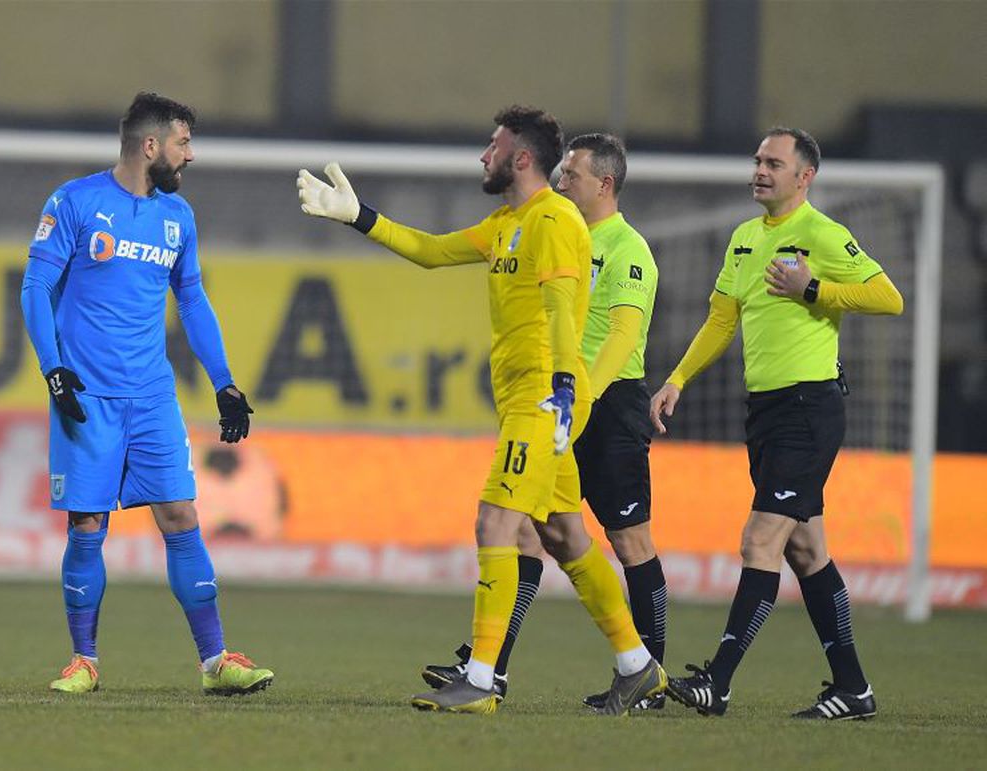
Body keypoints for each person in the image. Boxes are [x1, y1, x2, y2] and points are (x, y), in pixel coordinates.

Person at [297, 106, 666, 715]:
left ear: (520, 158)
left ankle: (481, 678)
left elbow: (561, 309)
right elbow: (431, 250)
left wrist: (566, 390)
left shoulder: (553, 220)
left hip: (542, 400)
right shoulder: (508, 221)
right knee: (565, 535)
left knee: (495, 525)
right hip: (530, 398)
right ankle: (636, 666)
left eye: (492, 146)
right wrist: (357, 216)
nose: (482, 156)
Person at [20, 91, 273, 696]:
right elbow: (35, 286)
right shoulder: (75, 202)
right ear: (151, 145)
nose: (192, 155)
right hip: (88, 395)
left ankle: (216, 664)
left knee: (182, 515)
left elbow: (192, 300)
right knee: (87, 526)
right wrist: (54, 370)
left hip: (153, 397)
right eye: (184, 142)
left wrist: (225, 383)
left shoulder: (177, 218)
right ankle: (84, 661)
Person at [651, 127, 903, 719]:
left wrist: (813, 288)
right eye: (758, 159)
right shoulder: (743, 239)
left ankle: (719, 680)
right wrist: (677, 380)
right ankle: (853, 688)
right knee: (807, 550)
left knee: (760, 539)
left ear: (803, 177)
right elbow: (720, 321)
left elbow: (888, 296)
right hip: (765, 411)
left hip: (809, 407)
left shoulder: (821, 233)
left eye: (774, 162)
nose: (760, 169)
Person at [420, 133, 669, 713]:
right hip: (558, 396)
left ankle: (640, 670)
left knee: (625, 539)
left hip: (599, 403)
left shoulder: (626, 247)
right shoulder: (552, 225)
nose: (561, 181)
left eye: (573, 174)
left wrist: (580, 396)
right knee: (549, 532)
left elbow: (623, 334)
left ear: (604, 185)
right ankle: (502, 667)